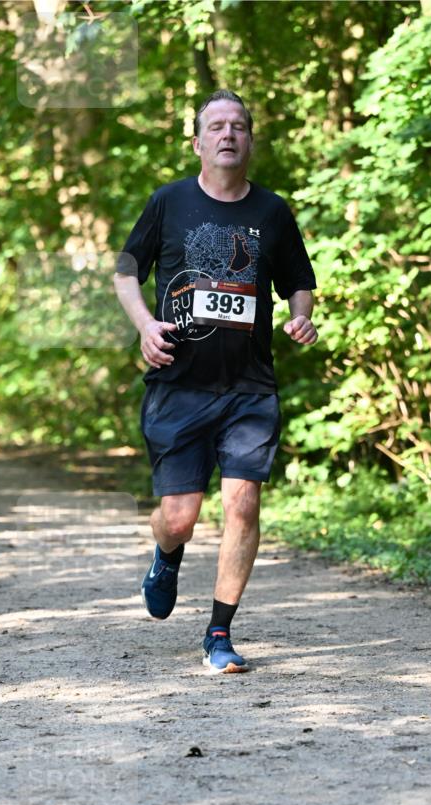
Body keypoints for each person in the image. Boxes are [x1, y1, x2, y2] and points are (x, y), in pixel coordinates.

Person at [113, 89, 317, 675]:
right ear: (198, 142)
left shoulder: (272, 213)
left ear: (250, 139)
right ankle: (166, 553)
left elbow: (298, 281)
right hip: (179, 384)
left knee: (243, 506)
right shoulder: (168, 202)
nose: (228, 134)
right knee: (179, 516)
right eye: (217, 126)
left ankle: (219, 633)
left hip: (249, 388)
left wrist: (301, 315)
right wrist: (146, 325)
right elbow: (127, 271)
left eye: (239, 126)